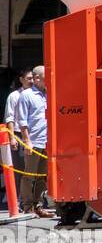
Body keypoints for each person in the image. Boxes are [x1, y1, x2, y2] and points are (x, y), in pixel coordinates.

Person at [14, 65, 50, 218]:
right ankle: (27, 206)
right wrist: (27, 141)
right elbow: (22, 121)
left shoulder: (48, 94)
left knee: (42, 176)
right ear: (37, 79)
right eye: (45, 78)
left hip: (46, 141)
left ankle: (38, 206)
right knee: (29, 175)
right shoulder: (26, 95)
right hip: (33, 142)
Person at [4, 69, 32, 193]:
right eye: (28, 78)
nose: (31, 81)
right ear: (21, 80)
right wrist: (12, 137)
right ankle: (19, 197)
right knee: (20, 167)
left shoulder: (37, 95)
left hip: (35, 135)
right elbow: (9, 117)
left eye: (33, 78)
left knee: (35, 168)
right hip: (19, 135)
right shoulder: (14, 96)